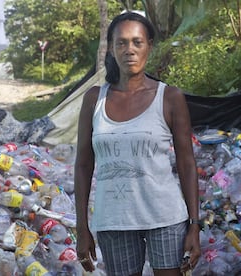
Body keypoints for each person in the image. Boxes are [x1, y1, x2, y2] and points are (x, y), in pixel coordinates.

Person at [75, 11, 201, 276]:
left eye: (137, 42)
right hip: (114, 220)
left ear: (149, 47)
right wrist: (82, 227)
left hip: (165, 217)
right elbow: (84, 165)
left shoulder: (169, 97)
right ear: (110, 48)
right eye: (121, 43)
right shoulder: (94, 99)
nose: (129, 50)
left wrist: (194, 225)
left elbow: (187, 163)